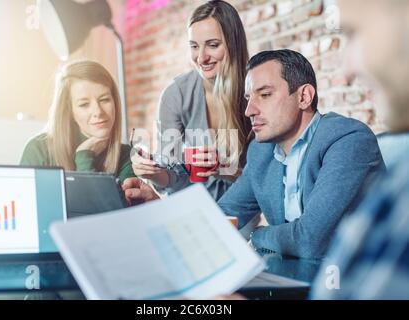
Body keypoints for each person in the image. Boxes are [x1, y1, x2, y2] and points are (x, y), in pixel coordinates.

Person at [217, 49, 385, 259]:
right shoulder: (261, 151)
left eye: (265, 95)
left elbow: (310, 241)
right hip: (295, 278)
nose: (249, 110)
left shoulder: (349, 140)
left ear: (304, 97)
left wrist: (258, 235)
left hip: (361, 282)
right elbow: (221, 215)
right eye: (249, 98)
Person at [310, 0, 409, 299]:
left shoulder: (348, 139)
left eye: (353, 33)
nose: (347, 69)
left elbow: (309, 238)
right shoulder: (401, 174)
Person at [131, 0, 252, 201]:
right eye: (194, 46)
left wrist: (225, 169)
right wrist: (154, 173)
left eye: (213, 45)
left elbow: (267, 177)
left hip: (245, 209)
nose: (201, 58)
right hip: (195, 205)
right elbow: (171, 180)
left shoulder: (255, 90)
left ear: (234, 43)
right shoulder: (176, 95)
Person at [20, 60, 135, 183]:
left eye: (104, 99)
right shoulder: (38, 149)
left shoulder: (127, 156)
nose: (98, 112)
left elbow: (102, 203)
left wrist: (84, 157)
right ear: (69, 111)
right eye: (84, 104)